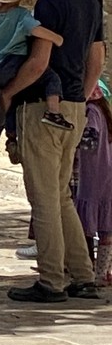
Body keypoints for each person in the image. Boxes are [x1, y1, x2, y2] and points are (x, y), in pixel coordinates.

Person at [3, 0, 104, 302]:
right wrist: (79, 95)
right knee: (60, 196)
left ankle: (50, 280)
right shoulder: (91, 3)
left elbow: (39, 61)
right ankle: (81, 274)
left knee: (44, 198)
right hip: (74, 107)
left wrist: (7, 93)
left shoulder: (48, 5)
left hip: (42, 110)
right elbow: (97, 58)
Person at [0, 0, 72, 148]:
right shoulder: (21, 16)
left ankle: (11, 135)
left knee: (10, 96)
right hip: (14, 61)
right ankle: (53, 111)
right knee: (50, 77)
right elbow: (36, 30)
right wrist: (57, 38)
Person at [75, 83, 112, 287]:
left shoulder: (91, 112)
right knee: (107, 230)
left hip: (93, 177)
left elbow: (89, 140)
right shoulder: (105, 112)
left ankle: (89, 269)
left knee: (86, 227)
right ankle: (104, 272)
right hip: (107, 175)